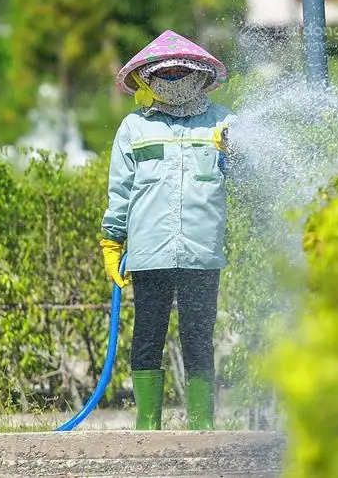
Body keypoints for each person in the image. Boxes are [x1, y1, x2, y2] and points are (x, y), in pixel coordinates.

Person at [99, 29, 236, 431]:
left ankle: (202, 426)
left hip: (201, 251)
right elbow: (120, 189)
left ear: (198, 75)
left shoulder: (223, 123)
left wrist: (237, 156)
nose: (174, 78)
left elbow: (245, 178)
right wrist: (112, 239)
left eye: (181, 71)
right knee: (147, 337)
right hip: (149, 251)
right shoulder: (133, 128)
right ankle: (147, 429)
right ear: (149, 78)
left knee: (198, 338)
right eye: (166, 72)